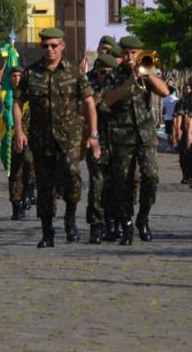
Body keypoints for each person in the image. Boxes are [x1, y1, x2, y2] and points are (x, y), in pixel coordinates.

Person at [14, 27, 100, 247]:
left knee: (72, 175)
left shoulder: (74, 72)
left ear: (62, 45)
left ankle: (70, 219)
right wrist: (20, 132)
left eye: (54, 45)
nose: (50, 49)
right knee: (44, 184)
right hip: (41, 137)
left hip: (69, 135)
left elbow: (89, 102)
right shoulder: (31, 73)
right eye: (45, 46)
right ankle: (47, 231)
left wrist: (94, 134)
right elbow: (18, 102)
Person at [104, 35, 169, 244]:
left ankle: (143, 218)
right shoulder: (115, 75)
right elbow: (108, 99)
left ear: (140, 54)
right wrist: (130, 80)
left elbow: (165, 91)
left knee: (151, 176)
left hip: (145, 134)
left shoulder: (147, 72)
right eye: (126, 53)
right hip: (122, 135)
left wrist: (146, 74)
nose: (129, 56)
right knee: (123, 183)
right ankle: (126, 225)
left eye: (133, 53)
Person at [84, 54, 117, 243]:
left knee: (115, 185)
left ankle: (112, 222)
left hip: (119, 141)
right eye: (102, 72)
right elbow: (83, 110)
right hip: (98, 140)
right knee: (97, 185)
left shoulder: (121, 85)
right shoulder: (90, 86)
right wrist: (99, 95)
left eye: (109, 73)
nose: (106, 76)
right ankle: (96, 225)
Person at [8, 66, 36, 221]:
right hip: (10, 138)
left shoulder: (28, 95)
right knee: (15, 172)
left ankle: (28, 192)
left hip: (29, 138)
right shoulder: (5, 95)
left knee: (29, 166)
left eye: (19, 75)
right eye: (13, 75)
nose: (16, 78)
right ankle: (16, 205)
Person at [162, 85, 179, 150]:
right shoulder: (177, 99)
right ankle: (175, 145)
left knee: (169, 133)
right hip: (175, 118)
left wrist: (163, 114)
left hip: (168, 118)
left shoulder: (165, 99)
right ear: (174, 91)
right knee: (175, 132)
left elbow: (164, 109)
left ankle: (170, 146)